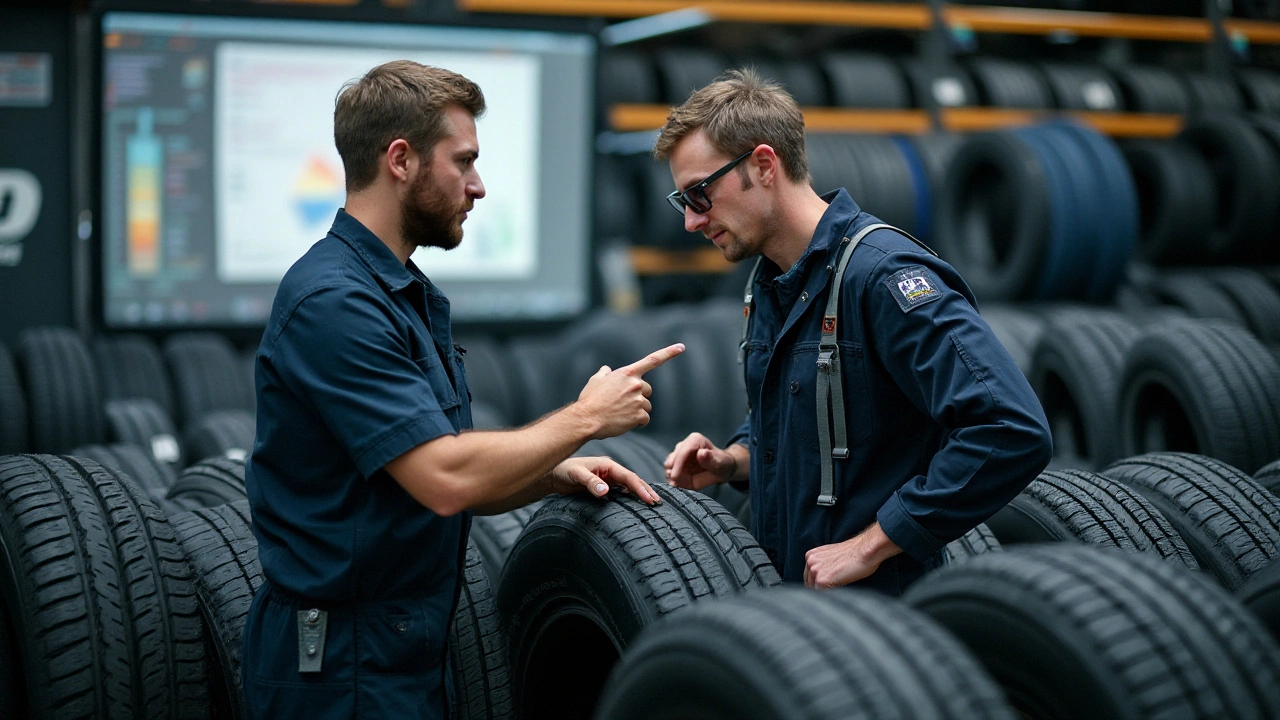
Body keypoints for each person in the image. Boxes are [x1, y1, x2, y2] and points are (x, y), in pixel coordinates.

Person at [241, 60, 682, 720]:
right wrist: (584, 418)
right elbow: (445, 477)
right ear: (401, 160)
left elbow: (429, 479)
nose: (477, 187)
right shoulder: (335, 303)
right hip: (338, 670)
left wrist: (549, 474)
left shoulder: (402, 295)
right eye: (463, 162)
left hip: (397, 652)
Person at [658, 69, 1051, 595]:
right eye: (682, 202)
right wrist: (732, 461)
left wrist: (870, 546)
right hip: (796, 612)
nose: (691, 221)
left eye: (699, 194)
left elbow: (1009, 428)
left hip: (880, 630)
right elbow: (810, 430)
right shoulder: (770, 281)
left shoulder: (882, 278)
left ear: (763, 165)